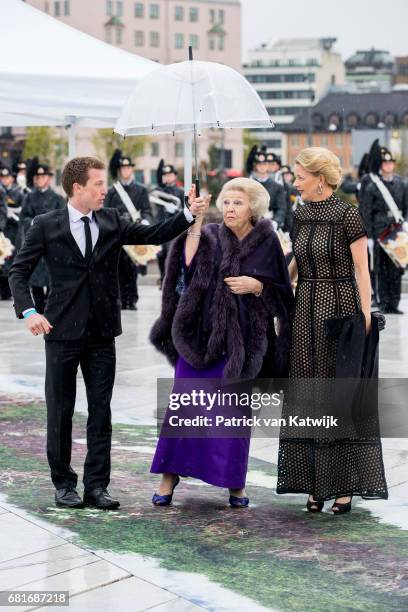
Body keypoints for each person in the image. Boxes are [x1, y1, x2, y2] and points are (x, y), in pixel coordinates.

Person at [9, 156, 203, 511]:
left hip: (102, 333)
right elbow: (18, 273)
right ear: (77, 188)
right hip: (61, 331)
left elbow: (153, 233)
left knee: (102, 412)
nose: (105, 189)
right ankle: (64, 484)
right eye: (98, 184)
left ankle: (97, 486)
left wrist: (188, 214)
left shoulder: (112, 219)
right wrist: (30, 310)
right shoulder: (46, 224)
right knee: (61, 411)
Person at [150, 178, 294, 507]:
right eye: (226, 202)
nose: (229, 208)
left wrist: (257, 286)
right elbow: (184, 264)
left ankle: (234, 483)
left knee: (234, 416)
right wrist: (196, 219)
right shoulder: (211, 234)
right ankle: (169, 478)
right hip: (201, 337)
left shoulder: (269, 241)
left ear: (253, 208)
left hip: (243, 341)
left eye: (237, 203)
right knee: (185, 410)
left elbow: (284, 296)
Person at [277, 147, 388, 513]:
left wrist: (365, 317)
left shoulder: (347, 214)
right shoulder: (301, 213)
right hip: (304, 309)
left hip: (338, 310)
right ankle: (314, 484)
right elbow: (296, 262)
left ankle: (342, 486)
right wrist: (279, 292)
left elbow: (362, 269)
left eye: (300, 177)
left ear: (319, 178)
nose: (296, 182)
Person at [359, 142, 408, 314]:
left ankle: (394, 303)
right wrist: (370, 236)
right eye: (385, 163)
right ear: (381, 165)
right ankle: (384, 302)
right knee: (381, 268)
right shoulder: (373, 186)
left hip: (397, 229)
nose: (388, 165)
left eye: (390, 163)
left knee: (397, 268)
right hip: (380, 230)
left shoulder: (402, 184)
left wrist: (406, 223)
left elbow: (406, 206)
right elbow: (366, 212)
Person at [104, 149, 153, 310]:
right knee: (116, 268)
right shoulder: (112, 191)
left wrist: (145, 221)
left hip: (133, 232)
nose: (125, 171)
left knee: (132, 269)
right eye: (122, 168)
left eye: (128, 168)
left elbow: (147, 210)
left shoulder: (141, 190)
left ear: (131, 169)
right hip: (117, 233)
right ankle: (119, 299)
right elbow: (106, 211)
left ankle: (131, 299)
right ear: (119, 171)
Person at [19, 160, 66, 313]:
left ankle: (50, 306)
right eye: (37, 177)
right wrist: (33, 221)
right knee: (36, 278)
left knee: (53, 277)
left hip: (53, 242)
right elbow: (23, 218)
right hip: (35, 241)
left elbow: (63, 218)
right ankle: (39, 307)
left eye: (43, 176)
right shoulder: (29, 197)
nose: (40, 179)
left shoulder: (58, 198)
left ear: (49, 178)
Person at [153, 159, 185, 285]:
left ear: (175, 176)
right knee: (161, 255)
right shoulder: (159, 190)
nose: (168, 177)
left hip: (174, 229)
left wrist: (177, 210)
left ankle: (172, 281)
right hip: (161, 227)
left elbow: (186, 211)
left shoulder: (180, 192)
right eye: (165, 175)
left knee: (173, 256)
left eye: (170, 174)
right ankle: (163, 279)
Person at [246, 146, 286, 229]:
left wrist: (275, 222)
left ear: (268, 166)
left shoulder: (277, 186)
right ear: (256, 166)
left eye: (264, 164)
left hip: (270, 224)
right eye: (259, 164)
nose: (262, 166)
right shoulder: (250, 185)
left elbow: (281, 209)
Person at [0, 166, 25, 300]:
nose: (4, 180)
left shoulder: (18, 193)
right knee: (1, 260)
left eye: (7, 177)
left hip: (13, 230)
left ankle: (8, 291)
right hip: (2, 229)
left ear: (11, 178)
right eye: (2, 177)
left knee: (10, 259)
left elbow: (22, 211)